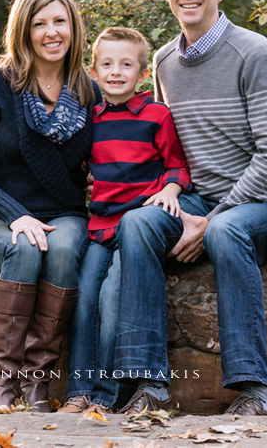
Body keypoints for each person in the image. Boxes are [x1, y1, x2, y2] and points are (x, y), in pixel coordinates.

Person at [102, 0, 267, 416]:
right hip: (199, 199)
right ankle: (149, 383)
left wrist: (210, 218)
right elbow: (164, 144)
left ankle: (254, 389)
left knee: (227, 229)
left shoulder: (253, 52)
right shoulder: (164, 62)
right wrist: (173, 200)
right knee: (136, 224)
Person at [0, 0, 99, 411]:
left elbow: (112, 156)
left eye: (60, 21)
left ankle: (39, 383)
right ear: (23, 30)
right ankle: (1, 386)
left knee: (57, 250)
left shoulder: (90, 92)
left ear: (73, 28)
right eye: (39, 23)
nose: (51, 32)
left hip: (64, 215)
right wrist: (16, 215)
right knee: (24, 246)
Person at [59, 26, 193, 415]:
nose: (116, 72)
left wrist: (170, 190)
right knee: (84, 299)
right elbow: (82, 166)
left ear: (141, 74)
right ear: (94, 73)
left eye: (126, 65)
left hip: (135, 229)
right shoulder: (90, 120)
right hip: (99, 229)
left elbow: (177, 165)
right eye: (107, 65)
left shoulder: (157, 115)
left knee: (113, 297)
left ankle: (106, 396)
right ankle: (78, 391)